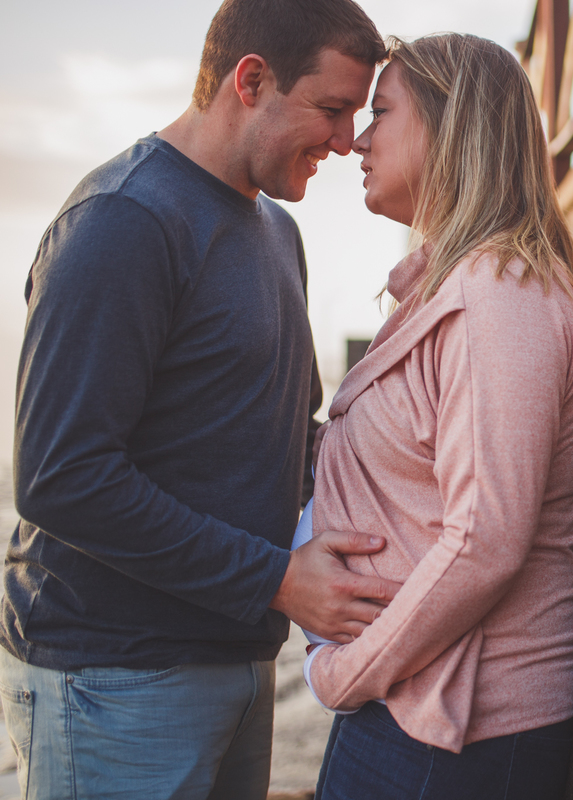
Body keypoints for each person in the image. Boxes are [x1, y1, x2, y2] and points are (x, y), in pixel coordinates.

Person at [0, 1, 404, 798]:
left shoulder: (275, 232)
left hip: (238, 660)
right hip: (115, 685)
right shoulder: (122, 220)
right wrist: (277, 581)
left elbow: (293, 442)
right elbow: (61, 477)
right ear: (249, 80)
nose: (347, 138)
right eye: (331, 108)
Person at [298, 33, 573, 800]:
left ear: (450, 126)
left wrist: (341, 674)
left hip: (455, 730)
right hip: (413, 703)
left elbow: (486, 541)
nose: (359, 140)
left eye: (382, 113)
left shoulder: (504, 298)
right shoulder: (453, 289)